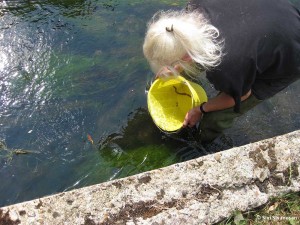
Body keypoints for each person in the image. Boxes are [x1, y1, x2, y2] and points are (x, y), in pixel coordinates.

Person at [143, 0, 300, 143]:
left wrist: (200, 109)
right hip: (273, 9)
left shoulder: (228, 64)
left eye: (173, 63)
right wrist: (175, 67)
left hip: (292, 49)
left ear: (187, 57)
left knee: (215, 117)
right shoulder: (194, 7)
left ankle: (202, 142)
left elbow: (240, 96)